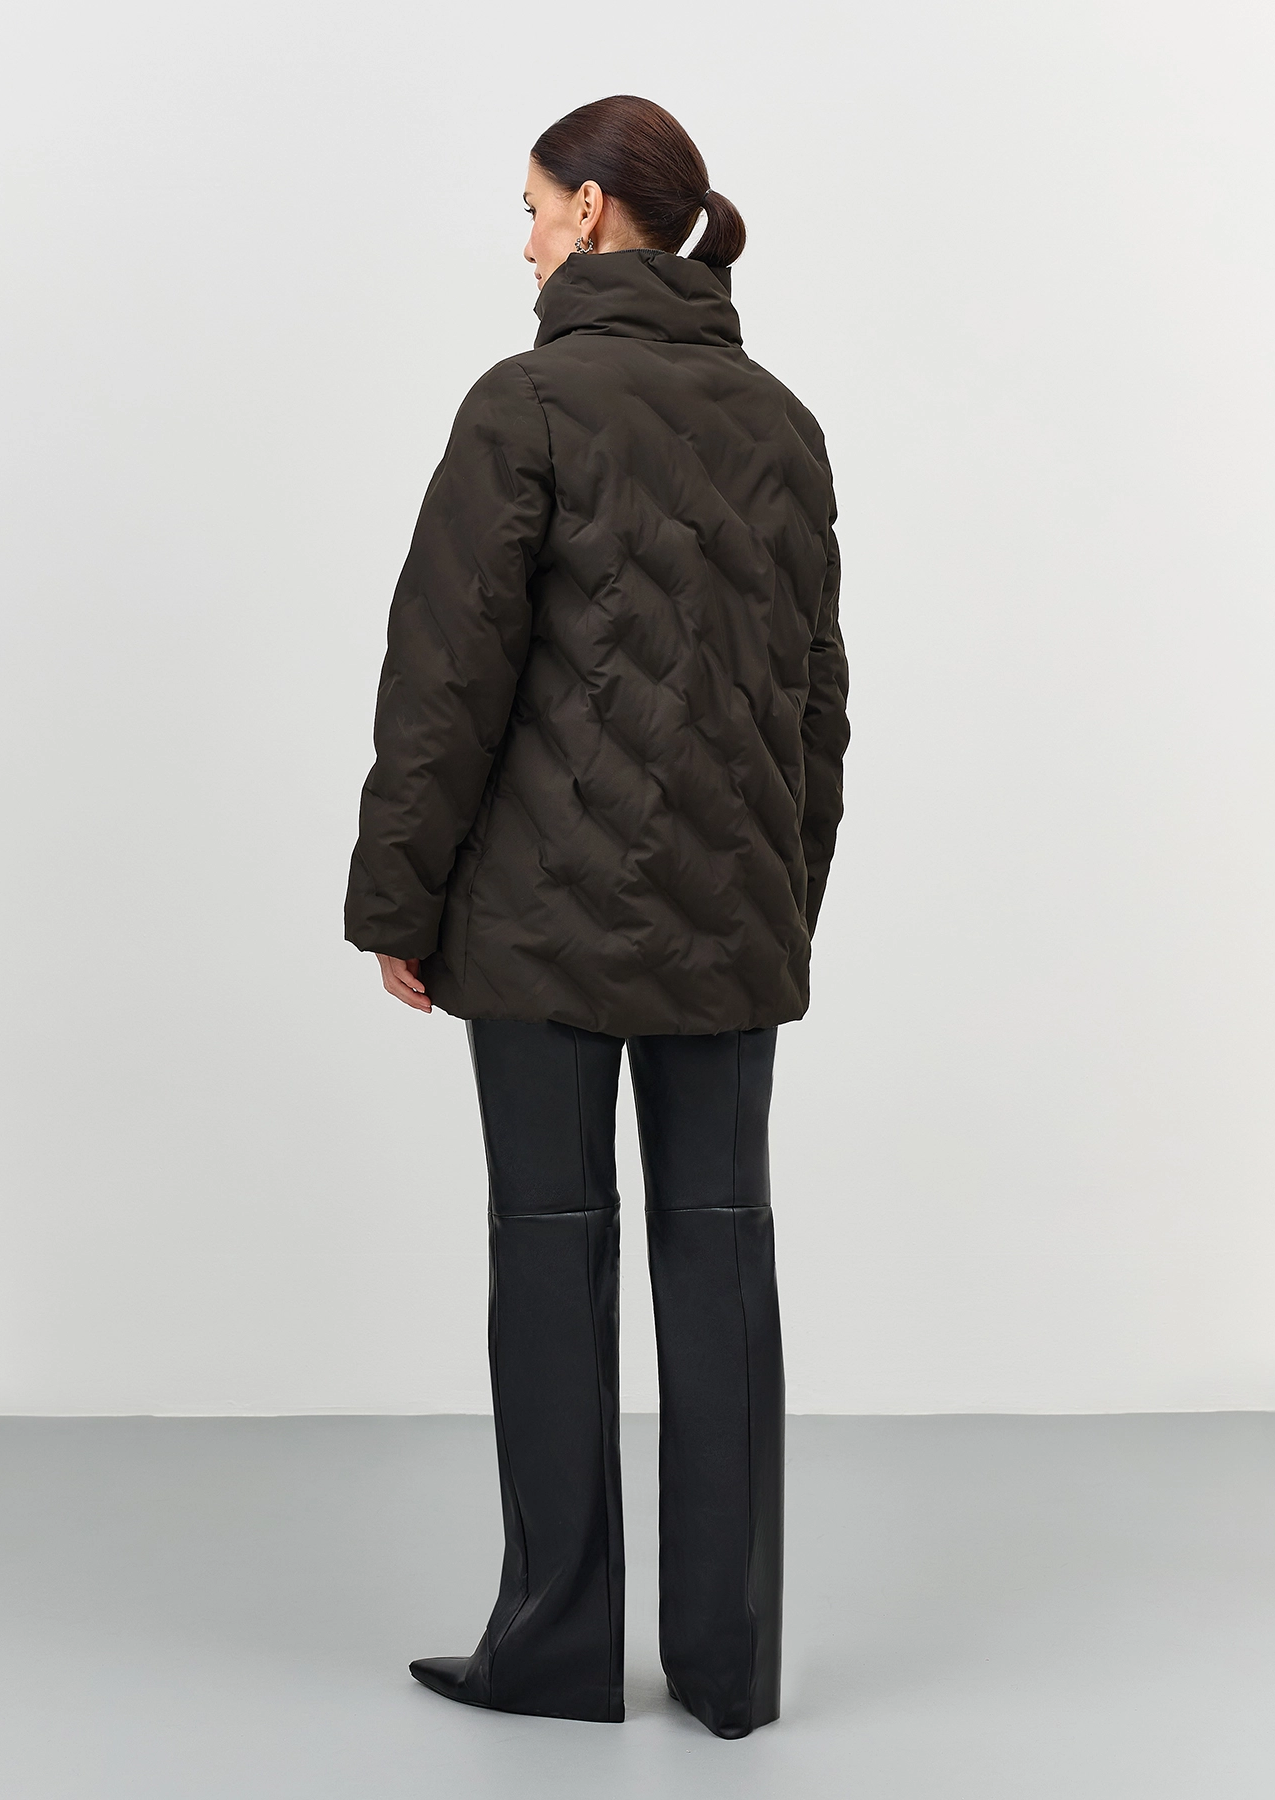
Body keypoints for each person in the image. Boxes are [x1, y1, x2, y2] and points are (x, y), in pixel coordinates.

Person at [344, 94, 850, 1740]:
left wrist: (397, 900)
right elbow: (816, 704)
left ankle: (555, 1653)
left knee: (548, 1256)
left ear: (584, 211)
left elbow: (444, 683)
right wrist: (781, 897)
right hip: (728, 920)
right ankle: (727, 1669)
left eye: (528, 207)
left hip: (536, 921)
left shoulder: (528, 404)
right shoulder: (779, 420)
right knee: (723, 1260)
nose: (521, 241)